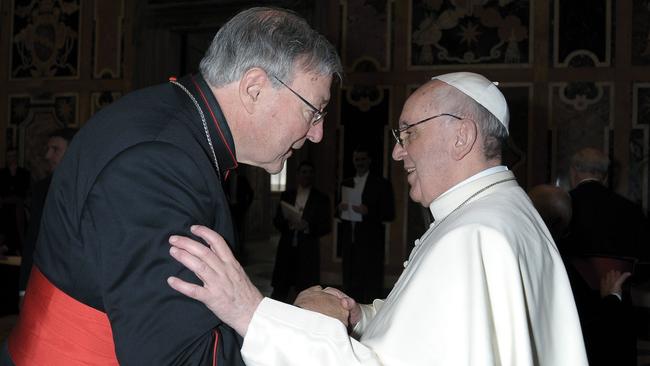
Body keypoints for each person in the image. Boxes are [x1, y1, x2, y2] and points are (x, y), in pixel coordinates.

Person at [166, 72, 588, 365]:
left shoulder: (474, 234)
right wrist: (361, 317)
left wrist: (251, 312)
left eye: (409, 133)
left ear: (462, 135)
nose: (398, 152)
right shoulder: (502, 212)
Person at [1, 7, 341, 365]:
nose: (317, 134)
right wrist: (298, 328)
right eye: (314, 110)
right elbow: (181, 358)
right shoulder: (158, 164)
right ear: (254, 88)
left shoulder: (171, 117)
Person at [528, 184, 637, 366]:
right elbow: (593, 335)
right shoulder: (562, 267)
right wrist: (612, 297)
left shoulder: (521, 251)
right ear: (564, 225)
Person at [19, 128, 78, 306]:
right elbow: (32, 240)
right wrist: (23, 289)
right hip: (46, 280)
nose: (47, 155)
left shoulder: (89, 187)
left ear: (72, 151)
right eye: (48, 149)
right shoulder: (42, 189)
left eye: (55, 149)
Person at [564, 147, 649, 260]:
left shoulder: (561, 207)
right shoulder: (631, 209)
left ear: (573, 172)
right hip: (618, 276)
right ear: (605, 177)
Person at [337, 146, 394, 302]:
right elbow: (338, 215)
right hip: (350, 243)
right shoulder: (346, 183)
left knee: (371, 286)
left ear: (369, 160)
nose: (359, 163)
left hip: (371, 245)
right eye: (356, 159)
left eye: (362, 159)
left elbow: (390, 214)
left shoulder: (381, 184)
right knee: (350, 286)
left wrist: (369, 211)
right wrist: (340, 209)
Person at [271, 160, 331, 302]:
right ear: (298, 175)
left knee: (305, 288)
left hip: (308, 249)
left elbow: (326, 226)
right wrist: (289, 224)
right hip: (287, 247)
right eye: (304, 172)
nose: (307, 175)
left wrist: (307, 226)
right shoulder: (287, 195)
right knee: (281, 287)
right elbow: (277, 221)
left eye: (310, 173)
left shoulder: (321, 198)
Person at [0, 148, 30, 255]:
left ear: (17, 157)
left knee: (16, 211)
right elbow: (3, 192)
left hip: (18, 205)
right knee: (9, 213)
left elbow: (22, 192)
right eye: (9, 156)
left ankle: (12, 246)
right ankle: (10, 245)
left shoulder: (24, 173)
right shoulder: (2, 173)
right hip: (5, 205)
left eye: (14, 156)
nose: (12, 158)